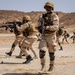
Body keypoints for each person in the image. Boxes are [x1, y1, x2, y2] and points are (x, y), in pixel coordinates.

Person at [38, 2, 59, 72]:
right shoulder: (42, 16)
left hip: (51, 36)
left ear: (52, 8)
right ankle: (43, 66)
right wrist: (40, 27)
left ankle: (51, 67)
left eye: (49, 7)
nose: (47, 8)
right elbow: (39, 25)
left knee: (51, 53)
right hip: (44, 35)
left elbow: (56, 27)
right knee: (41, 51)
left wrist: (47, 27)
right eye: (46, 7)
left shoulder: (54, 16)